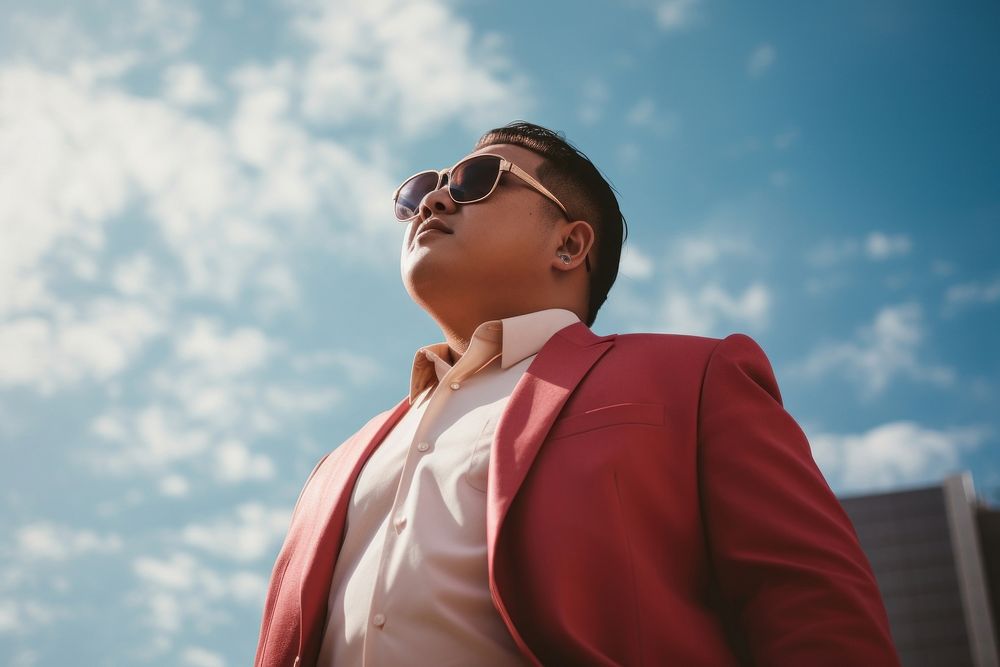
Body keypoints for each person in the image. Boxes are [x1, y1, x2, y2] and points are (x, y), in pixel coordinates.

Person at [253, 121, 900, 666]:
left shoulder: (695, 378)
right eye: (420, 190)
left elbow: (811, 605)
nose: (432, 202)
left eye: (474, 182)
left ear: (569, 243)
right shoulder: (335, 466)